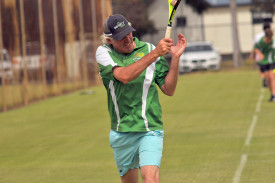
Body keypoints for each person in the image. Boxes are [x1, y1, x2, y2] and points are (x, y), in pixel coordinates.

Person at [96, 14, 187, 183]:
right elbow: (124, 76)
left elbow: (169, 89)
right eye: (120, 37)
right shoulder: (103, 53)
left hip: (149, 128)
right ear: (109, 41)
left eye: (128, 33)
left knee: (150, 179)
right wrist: (155, 54)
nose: (127, 38)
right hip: (121, 131)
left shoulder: (148, 48)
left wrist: (175, 59)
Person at [254, 28, 275, 102]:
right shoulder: (260, 42)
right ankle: (272, 94)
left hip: (272, 62)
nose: (269, 40)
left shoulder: (273, 42)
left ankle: (274, 95)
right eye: (268, 38)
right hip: (263, 62)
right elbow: (255, 48)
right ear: (266, 37)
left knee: (272, 77)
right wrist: (259, 54)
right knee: (267, 79)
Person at [249, 23, 271, 87]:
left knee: (261, 68)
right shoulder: (270, 35)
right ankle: (268, 78)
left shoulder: (258, 36)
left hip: (260, 56)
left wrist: (252, 53)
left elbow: (254, 45)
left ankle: (264, 79)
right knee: (270, 68)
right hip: (269, 55)